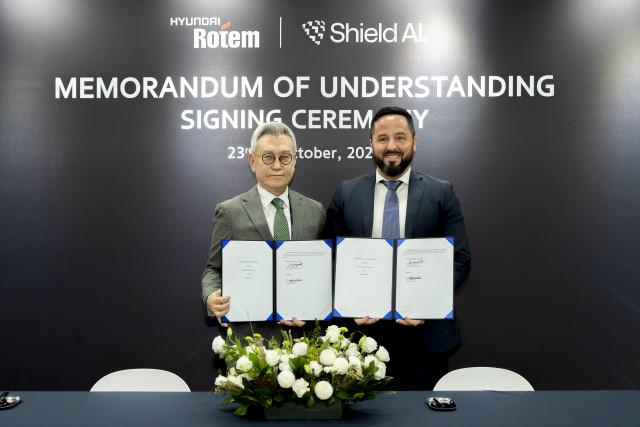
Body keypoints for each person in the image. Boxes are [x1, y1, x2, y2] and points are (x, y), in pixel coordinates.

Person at [323, 106, 471, 390]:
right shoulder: (346, 192)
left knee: (423, 413)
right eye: (383, 138)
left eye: (400, 137)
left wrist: (428, 303)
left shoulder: (441, 192)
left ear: (414, 142)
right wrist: (348, 302)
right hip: (360, 339)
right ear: (371, 143)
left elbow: (460, 259)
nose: (391, 146)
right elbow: (329, 258)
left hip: (425, 338)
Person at [202, 122, 325, 337]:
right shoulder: (229, 212)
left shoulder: (315, 211)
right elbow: (213, 269)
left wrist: (317, 303)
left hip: (303, 341)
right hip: (250, 340)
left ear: (295, 161)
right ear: (252, 161)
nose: (277, 165)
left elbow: (324, 271)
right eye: (268, 157)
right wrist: (211, 295)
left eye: (285, 157)